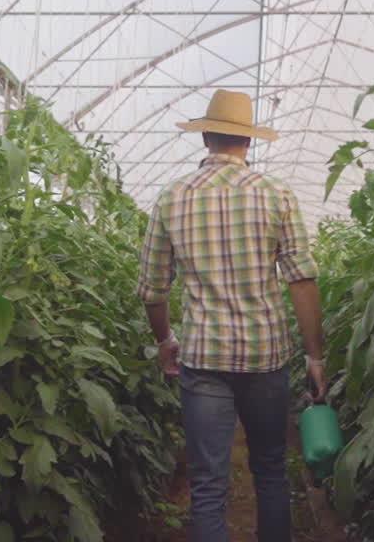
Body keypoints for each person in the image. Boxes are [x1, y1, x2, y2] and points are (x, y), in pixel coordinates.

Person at [136, 89, 327, 542]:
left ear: (206, 138)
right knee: (270, 471)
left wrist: (166, 341)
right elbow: (302, 280)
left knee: (207, 485)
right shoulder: (275, 194)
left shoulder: (172, 198)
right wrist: (315, 357)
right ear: (248, 142)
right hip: (265, 356)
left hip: (203, 358)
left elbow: (152, 290)